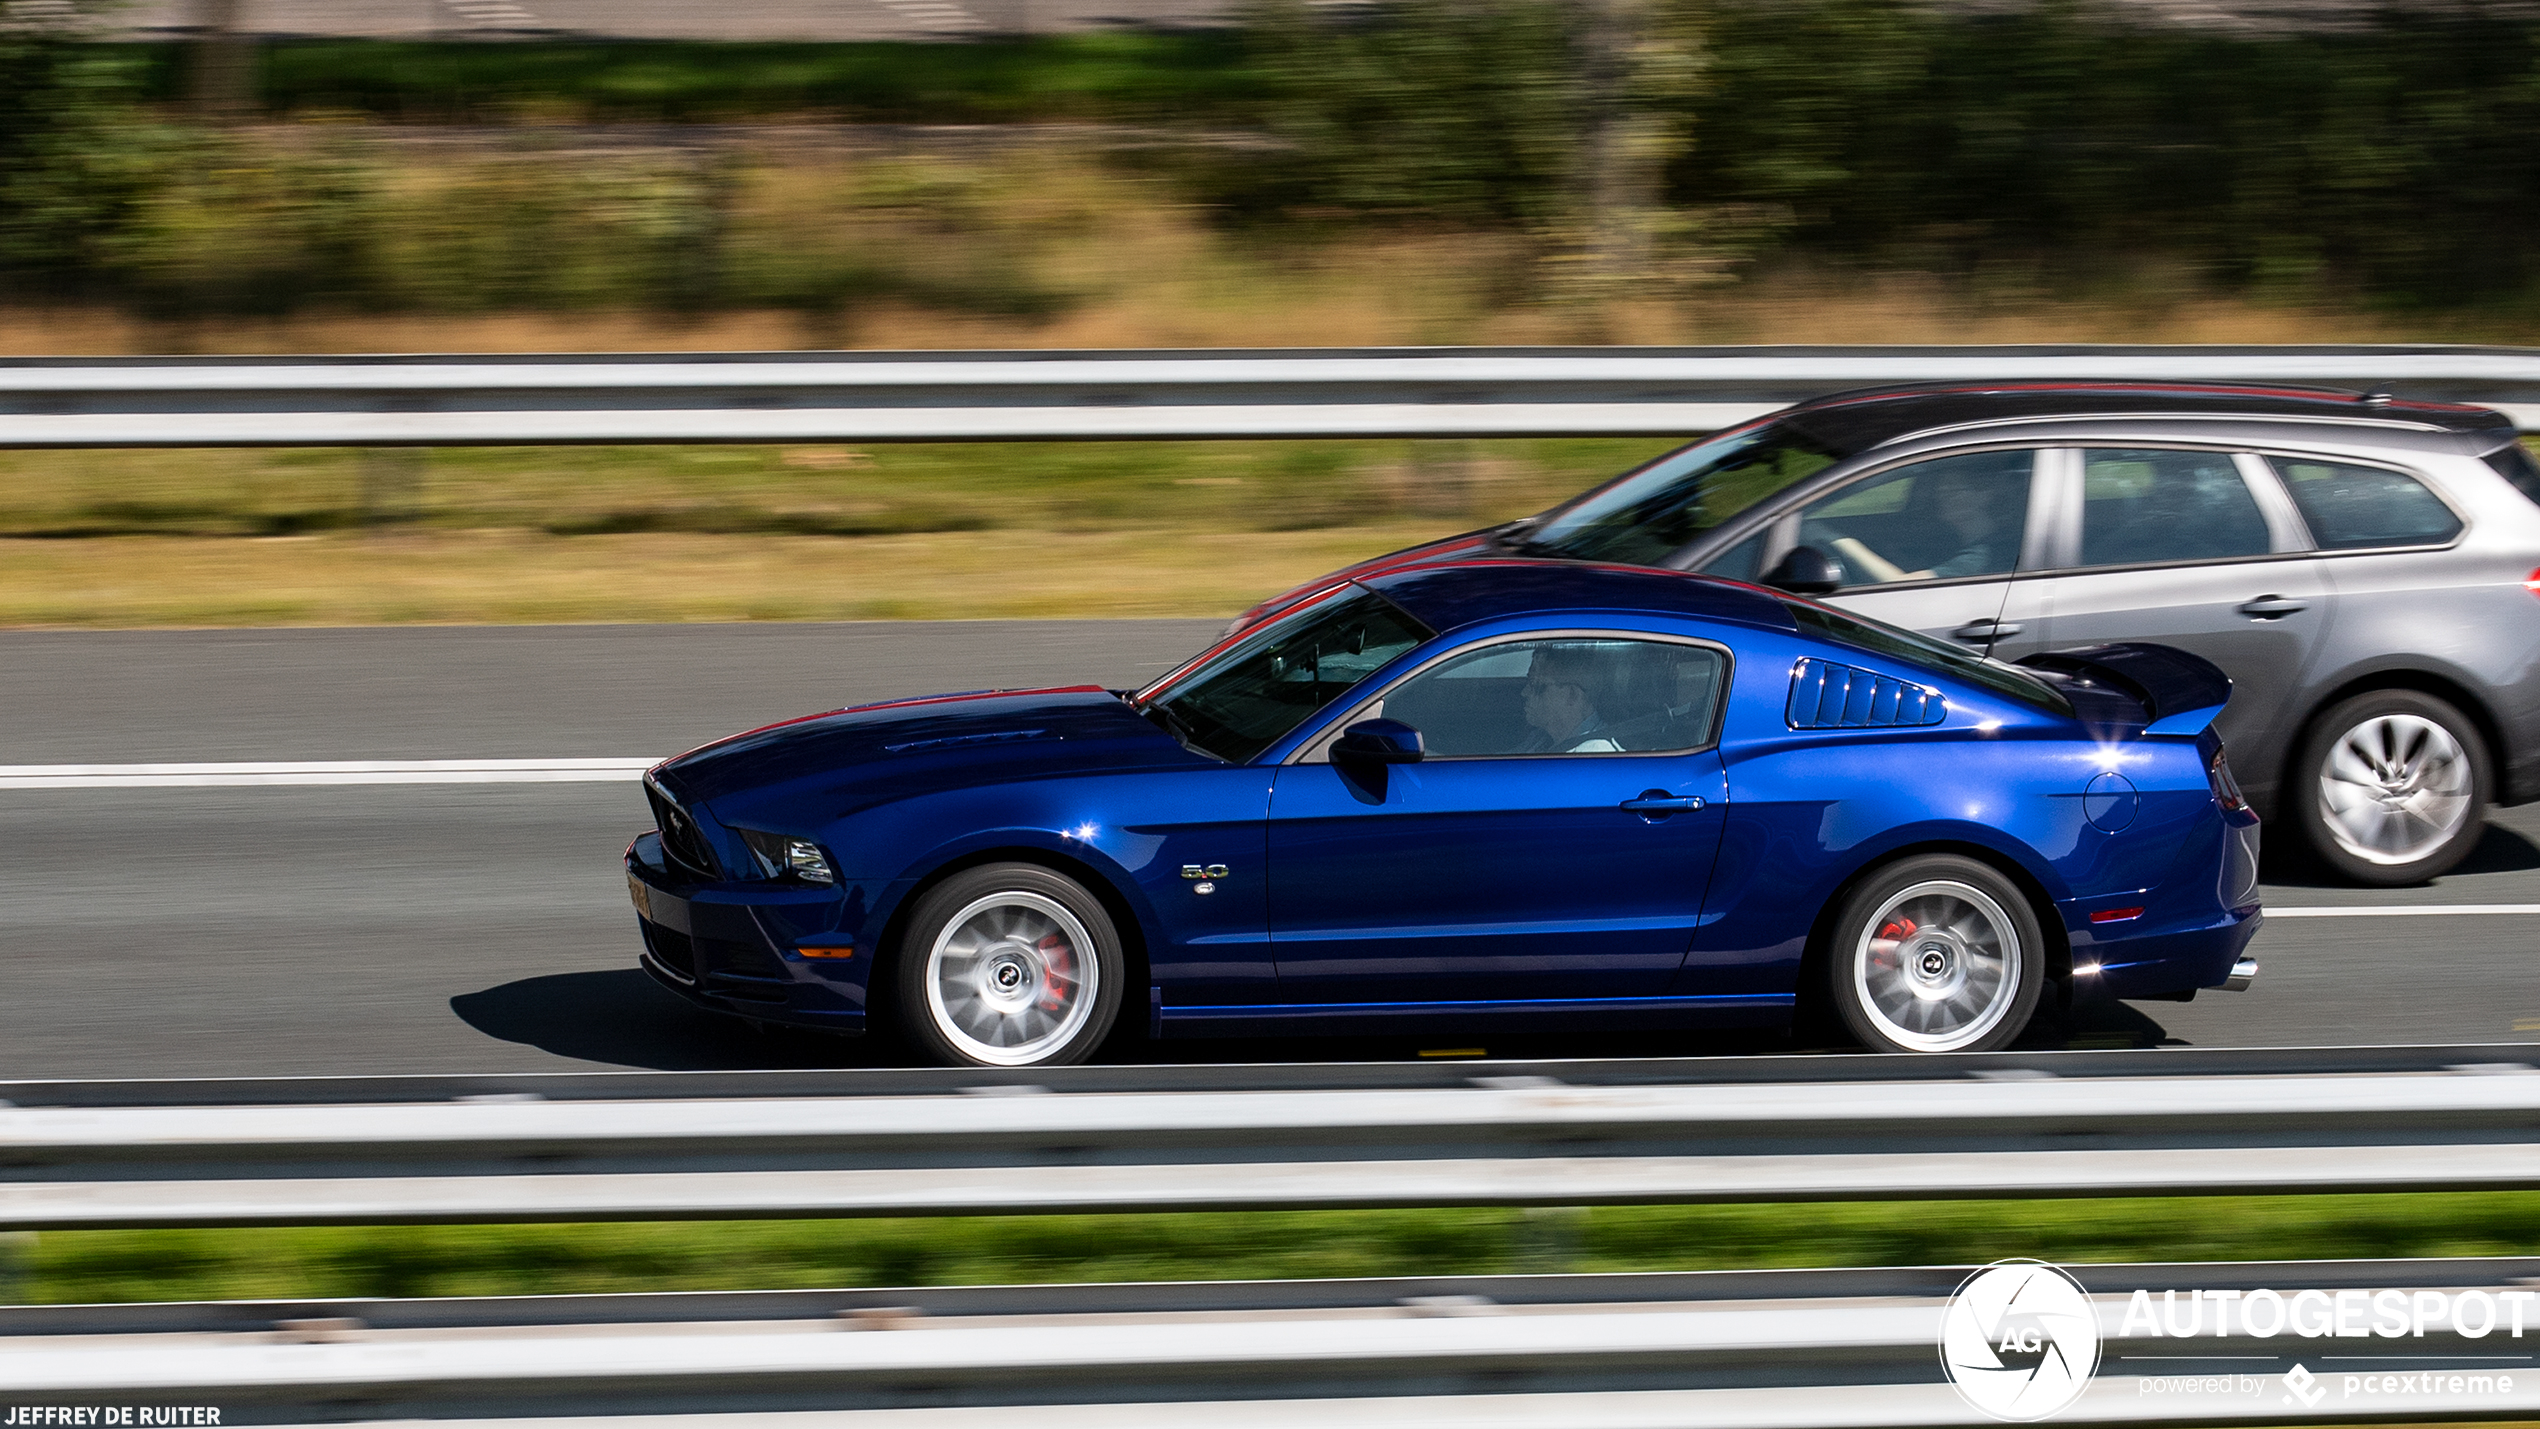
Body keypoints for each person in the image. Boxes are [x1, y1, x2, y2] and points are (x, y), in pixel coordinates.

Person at [1826, 465, 2015, 583]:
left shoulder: (1982, 557)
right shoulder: (1954, 539)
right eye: (1942, 488)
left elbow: (1899, 584)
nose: (1943, 496)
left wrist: (1839, 540)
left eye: (1954, 489)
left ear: (1984, 496)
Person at [1519, 646, 1622, 753]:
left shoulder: (1594, 757)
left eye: (1536, 686)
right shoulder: (1540, 738)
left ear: (1573, 695)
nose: (1524, 693)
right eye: (1529, 681)